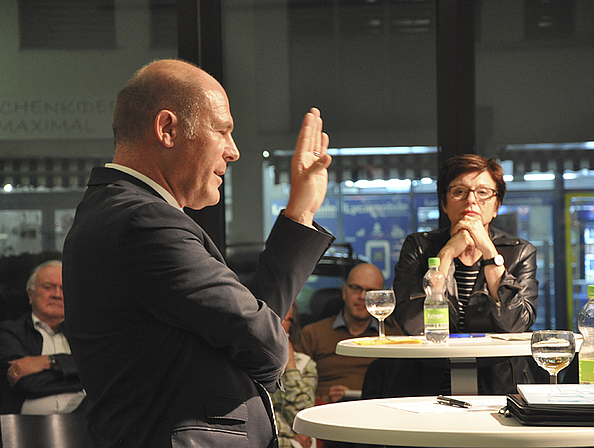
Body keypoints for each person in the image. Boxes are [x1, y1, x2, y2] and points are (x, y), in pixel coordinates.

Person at [61, 59, 334, 448]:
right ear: (167, 129)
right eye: (223, 130)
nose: (234, 151)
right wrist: (260, 344)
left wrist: (300, 213)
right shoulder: (145, 222)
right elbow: (271, 348)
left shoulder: (118, 212)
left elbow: (257, 328)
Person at [389, 154, 539, 395]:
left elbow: (516, 323)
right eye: (459, 191)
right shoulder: (418, 247)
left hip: (499, 387)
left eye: (482, 193)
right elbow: (412, 323)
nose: (471, 201)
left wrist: (489, 251)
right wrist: (446, 254)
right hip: (426, 386)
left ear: (496, 206)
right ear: (445, 204)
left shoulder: (519, 252)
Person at [0, 260, 86, 415]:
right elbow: (27, 384)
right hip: (23, 431)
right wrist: (83, 380)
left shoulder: (85, 333)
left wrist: (48, 362)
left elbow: (104, 370)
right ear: (30, 294)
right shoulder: (8, 333)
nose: (57, 294)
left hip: (86, 426)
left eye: (64, 288)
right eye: (48, 287)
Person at [299, 263, 401, 404]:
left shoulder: (394, 338)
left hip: (378, 412)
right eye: (356, 288)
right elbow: (294, 388)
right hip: (327, 412)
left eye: (370, 291)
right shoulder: (312, 334)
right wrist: (323, 400)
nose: (362, 296)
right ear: (344, 292)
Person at [272, 302, 317, 448]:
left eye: (284, 318)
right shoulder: (240, 361)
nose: (277, 324)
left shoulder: (305, 364)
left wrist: (290, 365)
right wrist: (290, 437)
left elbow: (303, 421)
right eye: (272, 317)